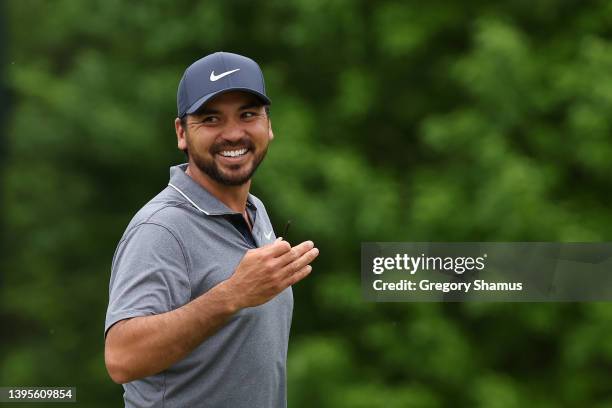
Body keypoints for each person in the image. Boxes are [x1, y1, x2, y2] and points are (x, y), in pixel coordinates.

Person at [104, 51, 319, 408]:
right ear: (182, 133)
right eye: (211, 119)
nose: (233, 133)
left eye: (248, 115)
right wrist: (233, 293)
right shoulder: (161, 228)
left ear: (268, 125)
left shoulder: (255, 211)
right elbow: (121, 358)